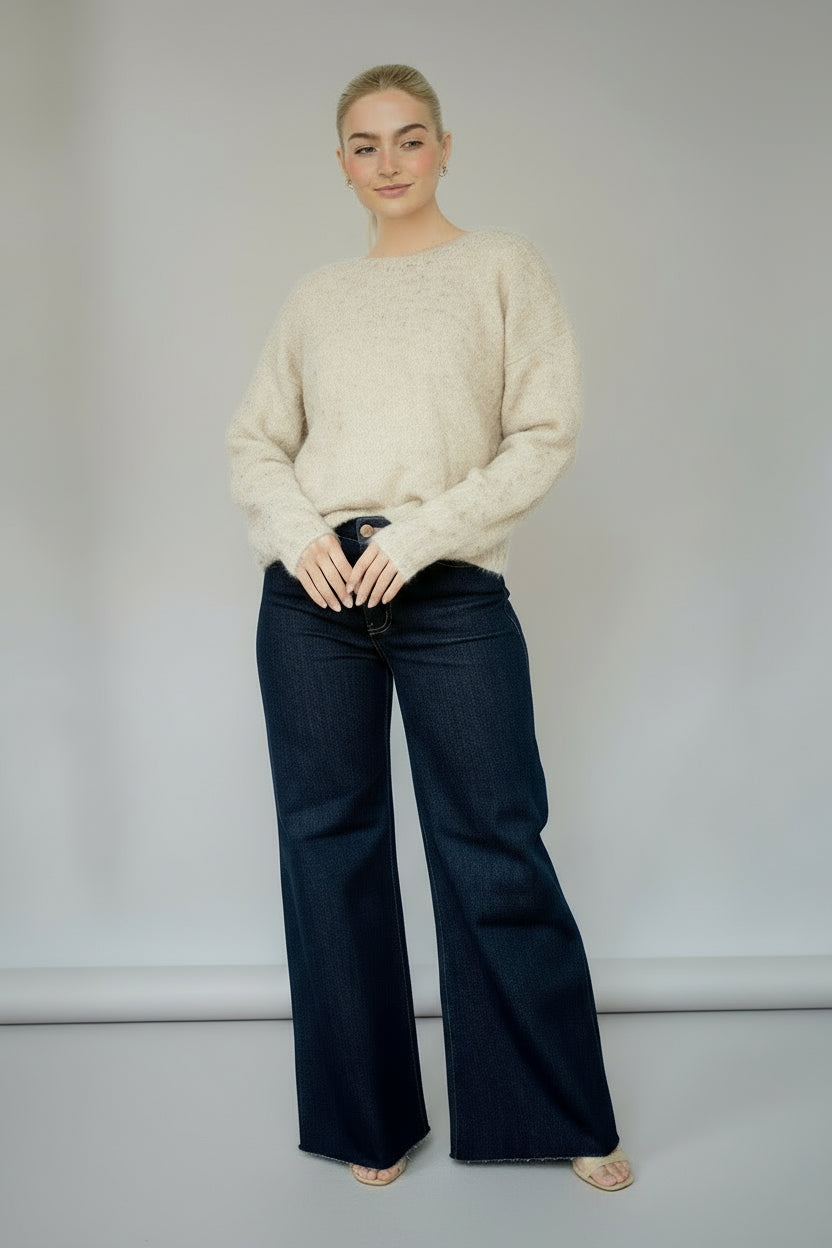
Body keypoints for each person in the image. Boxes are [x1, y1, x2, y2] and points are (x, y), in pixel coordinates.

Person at [225, 62, 634, 1194]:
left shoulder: (501, 268)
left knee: (493, 841)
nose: (390, 163)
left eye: (410, 140)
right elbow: (256, 442)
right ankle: (368, 1119)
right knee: (329, 853)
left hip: (446, 584)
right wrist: (296, 531)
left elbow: (542, 430)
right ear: (342, 164)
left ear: (445, 148)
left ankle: (555, 1111)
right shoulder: (314, 297)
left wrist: (421, 535)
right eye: (366, 145)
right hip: (310, 596)